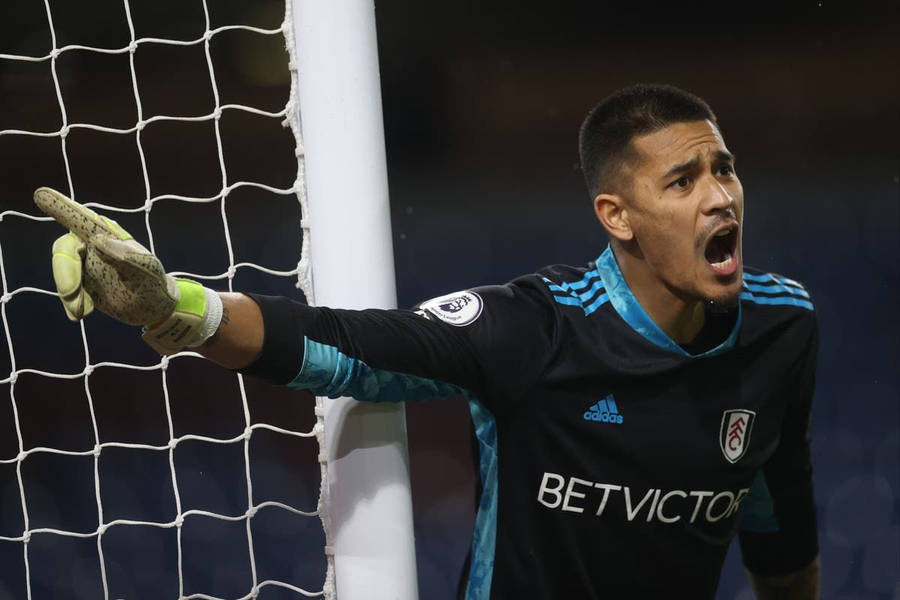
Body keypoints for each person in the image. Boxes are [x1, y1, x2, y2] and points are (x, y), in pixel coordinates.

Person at [35, 84, 820, 599]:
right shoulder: (539, 329)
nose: (720, 197)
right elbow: (343, 346)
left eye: (724, 170)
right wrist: (178, 306)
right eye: (683, 181)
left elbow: (779, 529)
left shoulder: (782, 329)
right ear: (617, 216)